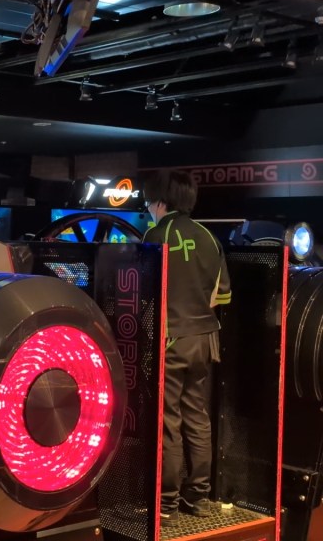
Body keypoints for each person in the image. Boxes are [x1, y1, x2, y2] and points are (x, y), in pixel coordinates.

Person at [142, 170, 231, 528]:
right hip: (205, 339)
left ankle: (166, 503)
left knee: (168, 422)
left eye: (148, 202)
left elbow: (142, 296)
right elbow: (222, 295)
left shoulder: (154, 237)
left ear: (160, 202)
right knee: (197, 417)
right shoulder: (209, 237)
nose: (148, 208)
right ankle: (198, 497)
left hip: (170, 339)